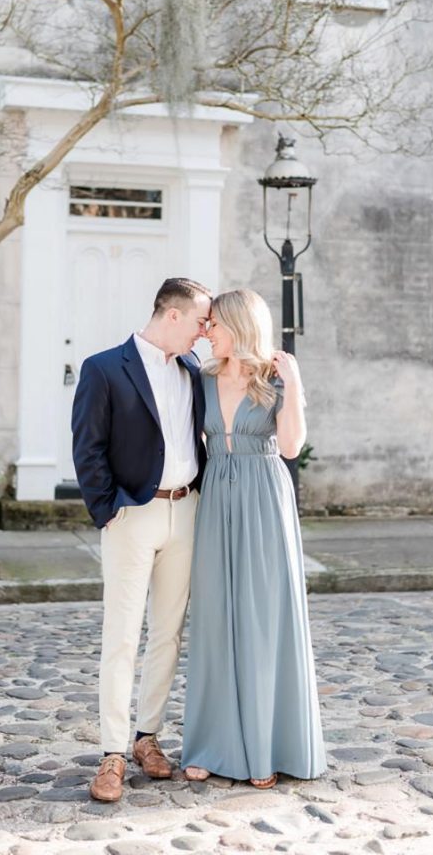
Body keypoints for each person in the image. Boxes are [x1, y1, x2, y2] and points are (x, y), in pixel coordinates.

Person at [72, 277, 212, 802]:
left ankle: (146, 737)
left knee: (168, 634)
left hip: (186, 512)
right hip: (133, 514)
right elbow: (88, 448)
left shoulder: (193, 369)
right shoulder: (104, 368)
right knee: (122, 635)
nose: (204, 332)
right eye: (200, 321)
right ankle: (110, 751)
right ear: (171, 315)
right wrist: (109, 511)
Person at [181, 288, 326, 788]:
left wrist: (295, 382)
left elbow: (289, 446)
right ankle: (207, 745)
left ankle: (267, 746)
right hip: (217, 495)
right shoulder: (200, 377)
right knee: (217, 618)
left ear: (240, 325)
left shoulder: (273, 378)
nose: (207, 331)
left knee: (264, 620)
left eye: (214, 324)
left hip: (264, 495)